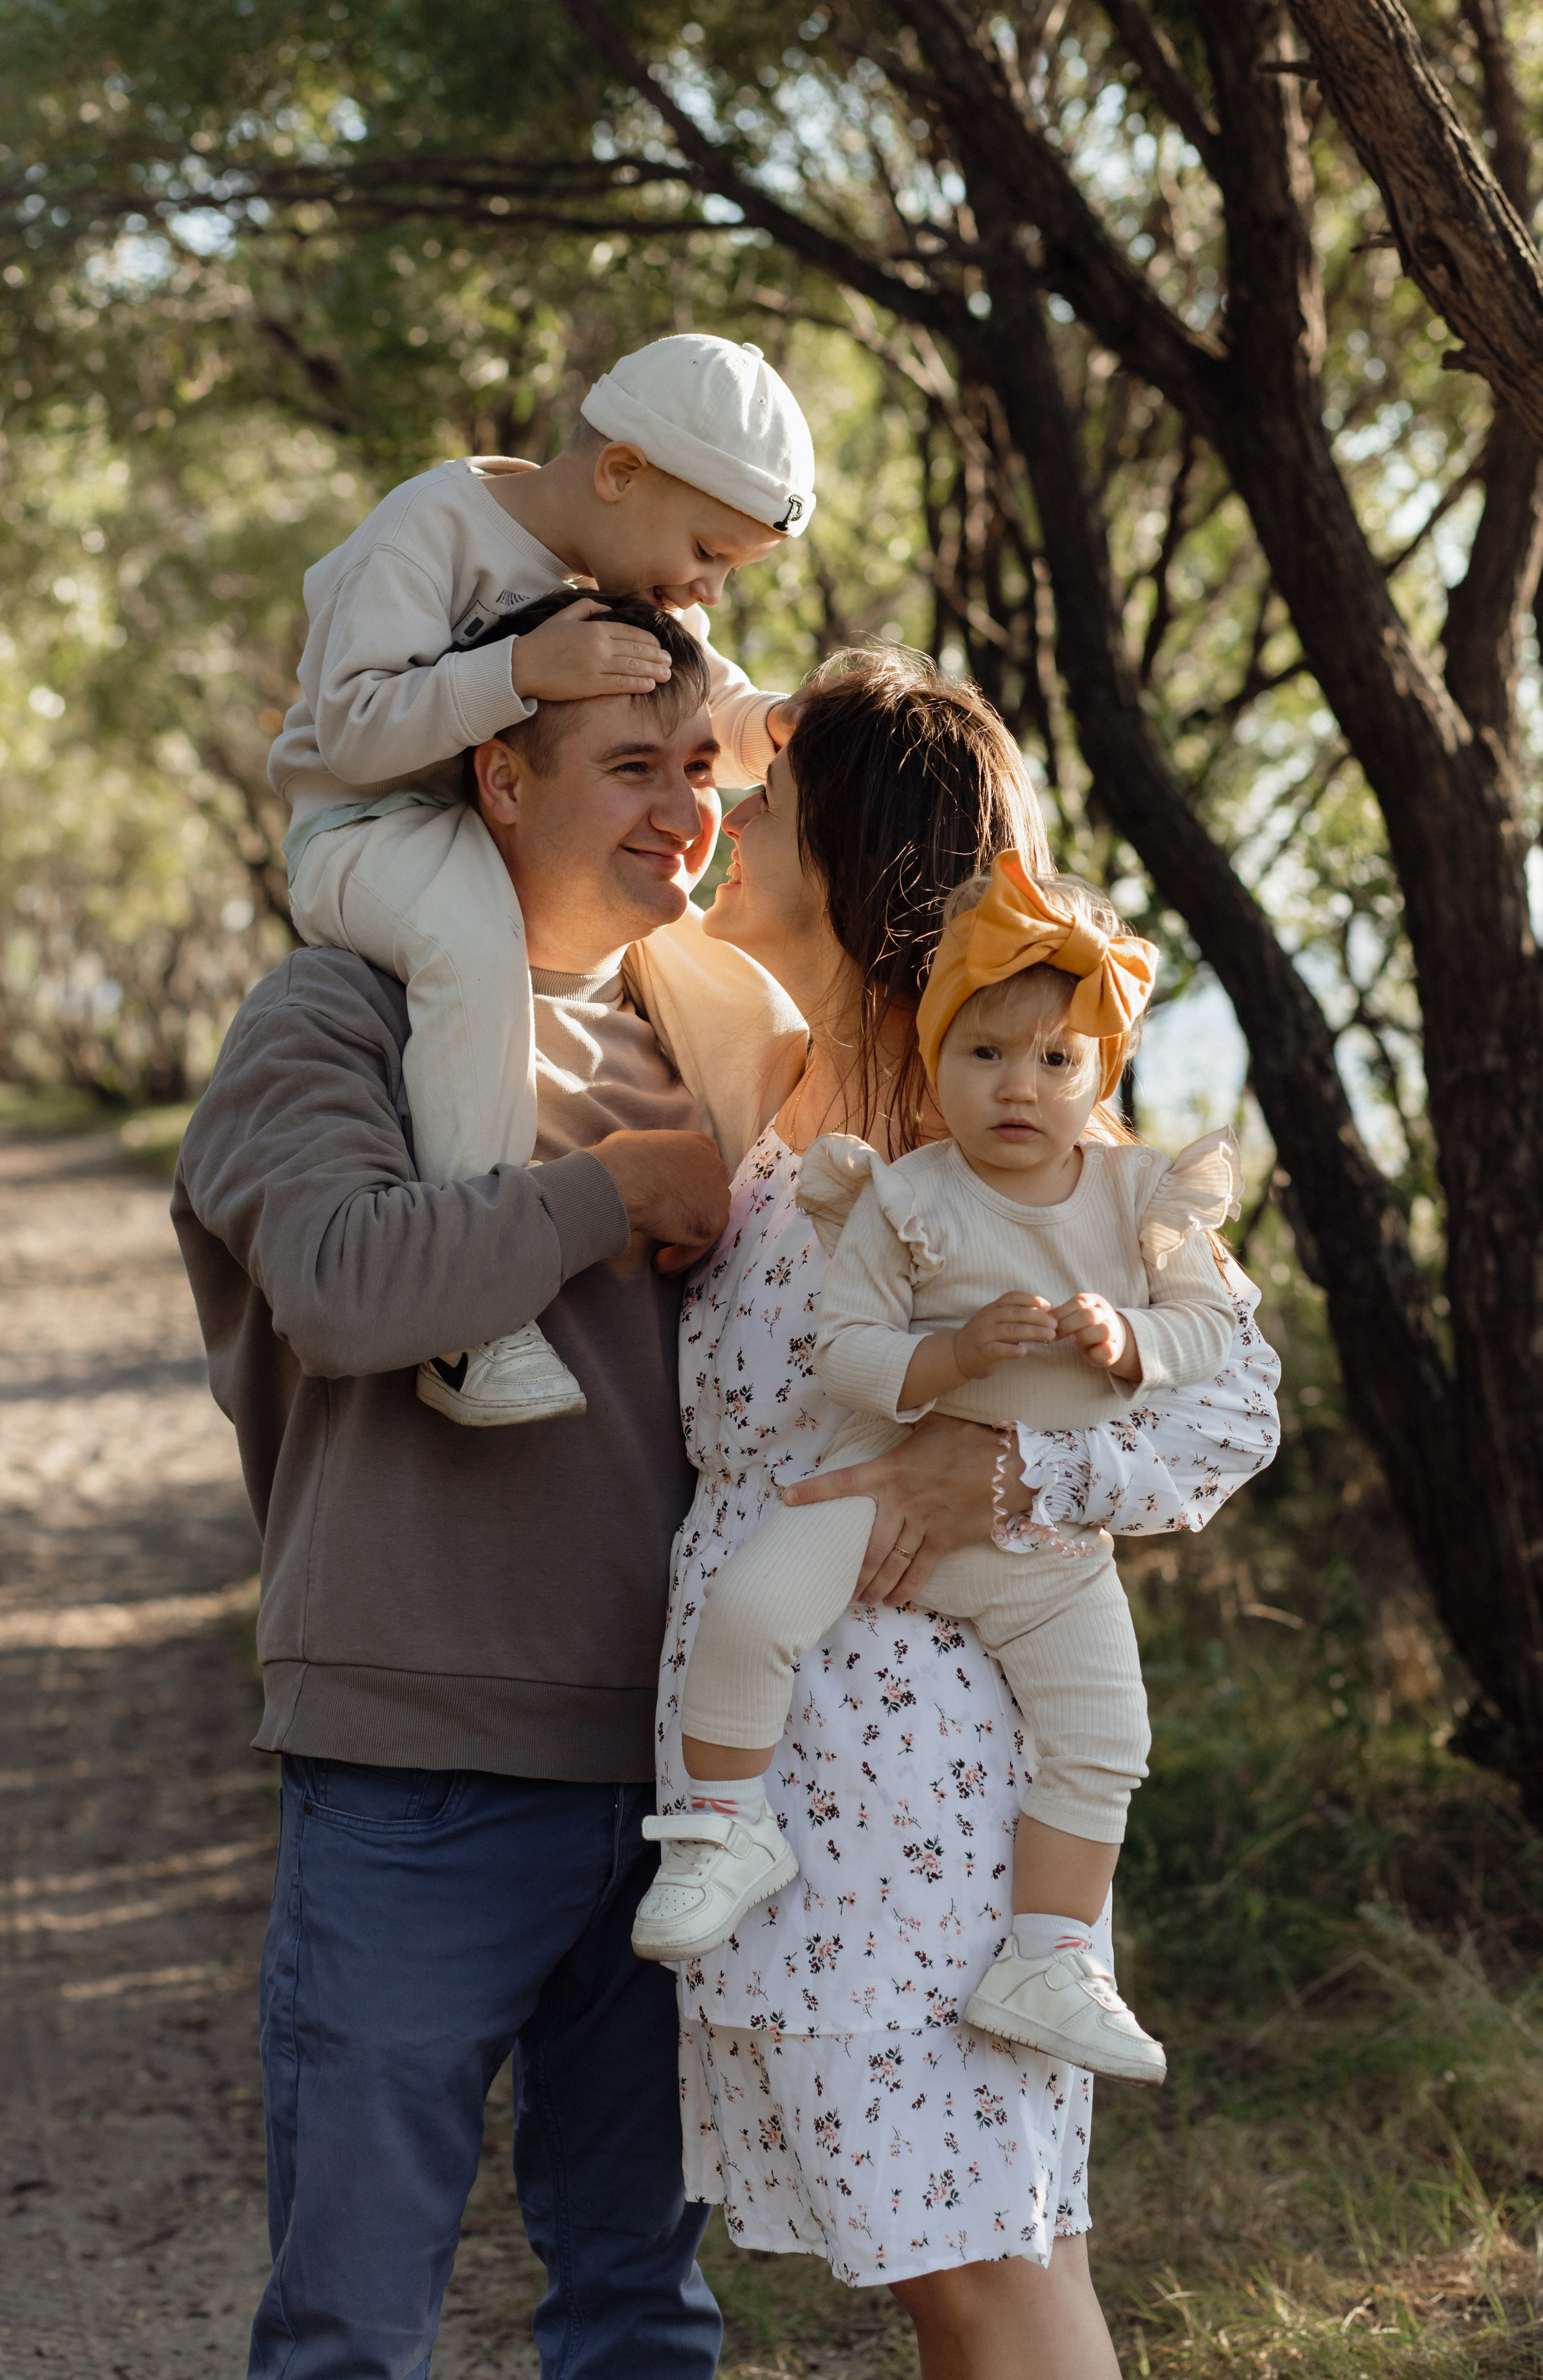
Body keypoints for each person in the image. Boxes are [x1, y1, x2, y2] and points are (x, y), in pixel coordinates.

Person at [174, 615, 1115, 2379]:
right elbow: (341, 1285)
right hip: (424, 1770)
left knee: (645, 2309)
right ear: (495, 772)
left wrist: (987, 1454)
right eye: (636, 768)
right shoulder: (339, 1016)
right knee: (355, 2316)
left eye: (713, 776)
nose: (694, 813)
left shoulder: (715, 1036)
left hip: (702, 1789)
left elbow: (1072, 1329)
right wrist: (609, 1194)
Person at [640, 650, 1280, 2374]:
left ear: (850, 851)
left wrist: (998, 1470)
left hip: (917, 1798)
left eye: (764, 804)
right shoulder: (788, 1114)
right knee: (978, 2262)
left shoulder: (1003, 1128)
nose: (725, 824)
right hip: (806, 1800)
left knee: (993, 2269)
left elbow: (1233, 1398)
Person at [636, 854, 1250, 2089]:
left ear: (1100, 1072)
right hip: (880, 1495)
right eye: (982, 1056)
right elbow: (845, 1354)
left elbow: (1210, 1345)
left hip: (1040, 1555)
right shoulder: (906, 1197)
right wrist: (949, 1355)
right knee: (749, 1609)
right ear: (934, 1057)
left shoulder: (1143, 1197)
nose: (1017, 1088)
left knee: (1102, 1735)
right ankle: (721, 1827)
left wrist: (1129, 1341)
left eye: (1054, 1061)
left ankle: (1050, 1954)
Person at [271, 330, 815, 1427]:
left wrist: (782, 726)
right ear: (619, 472)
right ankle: (475, 1330)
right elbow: (354, 725)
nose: (706, 588)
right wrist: (514, 670)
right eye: (707, 550)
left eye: (729, 573)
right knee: (472, 950)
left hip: (508, 841)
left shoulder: (635, 580)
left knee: (732, 987)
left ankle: (794, 1237)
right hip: (377, 826)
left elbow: (709, 702)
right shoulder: (433, 530)